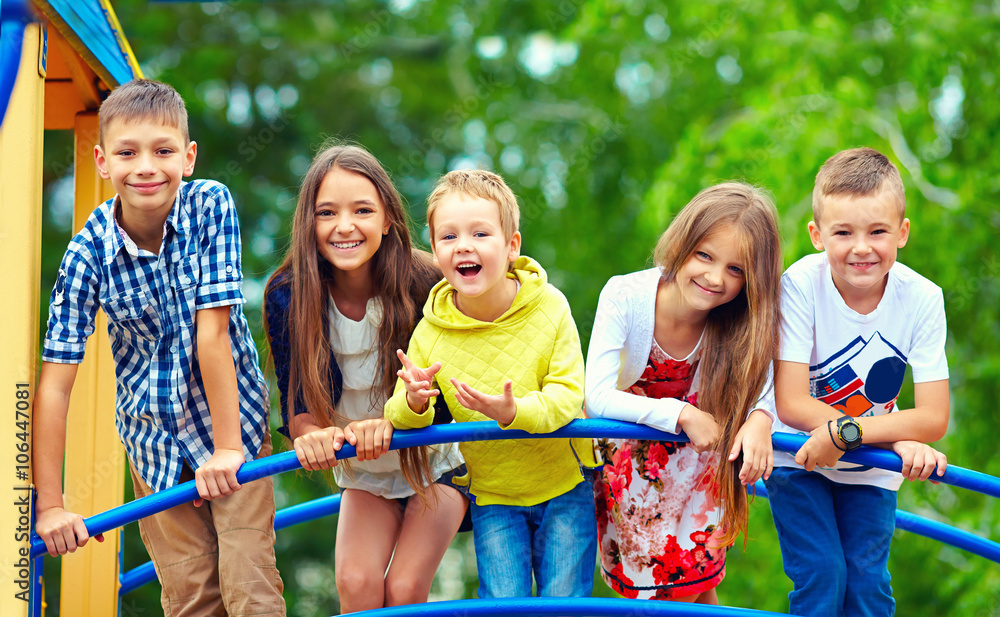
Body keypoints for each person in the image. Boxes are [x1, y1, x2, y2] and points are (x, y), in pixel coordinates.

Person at [33, 79, 284, 616]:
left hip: (230, 426)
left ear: (188, 157)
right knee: (192, 596)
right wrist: (51, 507)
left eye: (163, 151)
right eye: (128, 152)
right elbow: (55, 384)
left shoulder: (209, 206)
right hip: (154, 444)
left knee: (248, 582)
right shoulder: (87, 253)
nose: (146, 166)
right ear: (103, 162)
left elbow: (211, 334)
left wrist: (227, 449)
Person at [263, 144, 467, 613]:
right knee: (356, 585)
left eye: (362, 210)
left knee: (404, 589)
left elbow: (453, 387)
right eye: (326, 213)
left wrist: (396, 422)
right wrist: (309, 435)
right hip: (364, 470)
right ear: (308, 223)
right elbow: (297, 402)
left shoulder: (428, 282)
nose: (345, 226)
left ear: (388, 219)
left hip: (435, 461)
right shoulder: (288, 294)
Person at [384, 169, 598, 599]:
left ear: (511, 245)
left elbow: (568, 394)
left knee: (565, 604)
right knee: (502, 604)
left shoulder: (550, 307)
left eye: (480, 233)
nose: (464, 245)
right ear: (436, 251)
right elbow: (398, 416)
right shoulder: (432, 330)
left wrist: (513, 412)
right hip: (494, 497)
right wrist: (414, 400)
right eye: (448, 237)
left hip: (565, 486)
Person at [765, 147, 949, 617]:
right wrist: (889, 434)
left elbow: (933, 417)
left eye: (878, 231)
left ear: (902, 232)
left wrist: (863, 437)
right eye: (843, 232)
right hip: (798, 457)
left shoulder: (923, 299)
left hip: (871, 465)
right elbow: (790, 402)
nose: (861, 247)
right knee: (824, 576)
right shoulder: (801, 284)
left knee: (867, 587)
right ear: (816, 234)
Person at [585, 182, 781, 603]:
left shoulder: (741, 321)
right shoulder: (626, 296)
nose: (714, 278)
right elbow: (597, 395)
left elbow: (768, 381)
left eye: (736, 270)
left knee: (695, 591)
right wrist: (679, 414)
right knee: (661, 600)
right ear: (683, 243)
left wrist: (761, 418)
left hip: (701, 469)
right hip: (635, 469)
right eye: (705, 256)